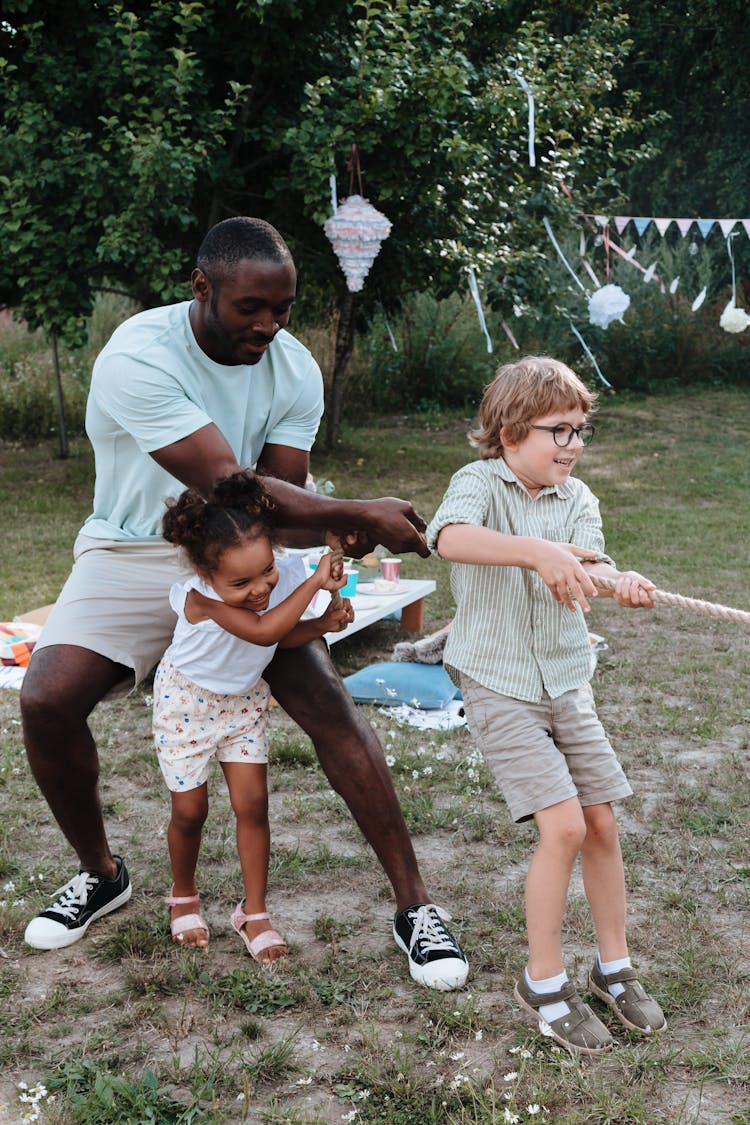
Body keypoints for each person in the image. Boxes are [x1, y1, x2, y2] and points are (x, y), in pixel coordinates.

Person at [21, 216, 469, 991]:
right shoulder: (137, 356)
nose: (267, 325)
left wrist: (334, 526)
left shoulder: (292, 369)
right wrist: (355, 509)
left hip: (250, 551)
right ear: (202, 288)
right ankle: (102, 873)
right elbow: (227, 481)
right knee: (46, 696)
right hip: (133, 547)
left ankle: (416, 907)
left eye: (283, 309)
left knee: (328, 700)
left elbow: (274, 508)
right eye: (249, 308)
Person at [426, 356, 666, 1053]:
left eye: (580, 430)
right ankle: (544, 980)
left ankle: (613, 968)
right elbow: (448, 539)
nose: (572, 443)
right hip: (498, 682)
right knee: (560, 828)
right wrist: (534, 551)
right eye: (558, 429)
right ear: (508, 432)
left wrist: (616, 580)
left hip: (566, 679)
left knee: (599, 823)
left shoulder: (578, 498)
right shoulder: (477, 483)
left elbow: (586, 568)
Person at [155, 470, 352, 962]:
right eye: (240, 582)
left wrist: (322, 621)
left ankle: (254, 911)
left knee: (253, 805)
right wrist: (311, 586)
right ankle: (184, 896)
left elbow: (277, 637)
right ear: (207, 575)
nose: (261, 587)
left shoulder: (277, 580)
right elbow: (261, 632)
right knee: (190, 811)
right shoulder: (198, 599)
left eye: (266, 571)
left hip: (242, 704)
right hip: (186, 705)